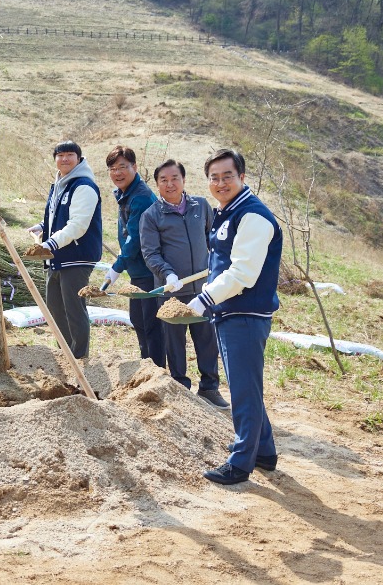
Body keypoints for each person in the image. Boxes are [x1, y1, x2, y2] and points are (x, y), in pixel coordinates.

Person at [186, 148, 283, 485]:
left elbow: (243, 273)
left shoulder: (253, 216)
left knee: (243, 390)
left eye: (228, 175)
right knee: (248, 387)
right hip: (230, 312)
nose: (220, 182)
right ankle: (264, 452)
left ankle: (241, 463)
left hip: (245, 313)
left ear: (242, 176)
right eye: (214, 177)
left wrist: (203, 298)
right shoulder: (229, 212)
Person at [140, 159, 229, 410]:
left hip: (203, 290)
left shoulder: (200, 206)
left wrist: (218, 269)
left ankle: (210, 388)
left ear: (184, 180)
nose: (169, 184)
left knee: (207, 340)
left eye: (174, 178)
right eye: (163, 180)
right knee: (174, 344)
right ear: (157, 184)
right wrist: (167, 274)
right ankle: (181, 388)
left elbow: (216, 242)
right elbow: (151, 253)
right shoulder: (151, 216)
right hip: (172, 293)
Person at [27, 140, 102, 359]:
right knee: (55, 309)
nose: (65, 159)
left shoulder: (83, 186)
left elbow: (78, 224)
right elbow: (60, 215)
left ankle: (79, 358)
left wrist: (49, 243)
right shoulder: (61, 183)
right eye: (60, 155)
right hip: (57, 256)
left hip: (76, 256)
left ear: (79, 158)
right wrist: (44, 227)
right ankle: (66, 353)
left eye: (70, 155)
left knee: (74, 310)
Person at [103, 145, 163, 365]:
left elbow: (135, 238)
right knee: (138, 320)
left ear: (134, 167)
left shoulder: (141, 197)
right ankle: (146, 366)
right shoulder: (125, 193)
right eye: (112, 168)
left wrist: (117, 267)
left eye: (122, 167)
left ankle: (157, 371)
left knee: (151, 324)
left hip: (150, 270)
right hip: (138, 270)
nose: (117, 173)